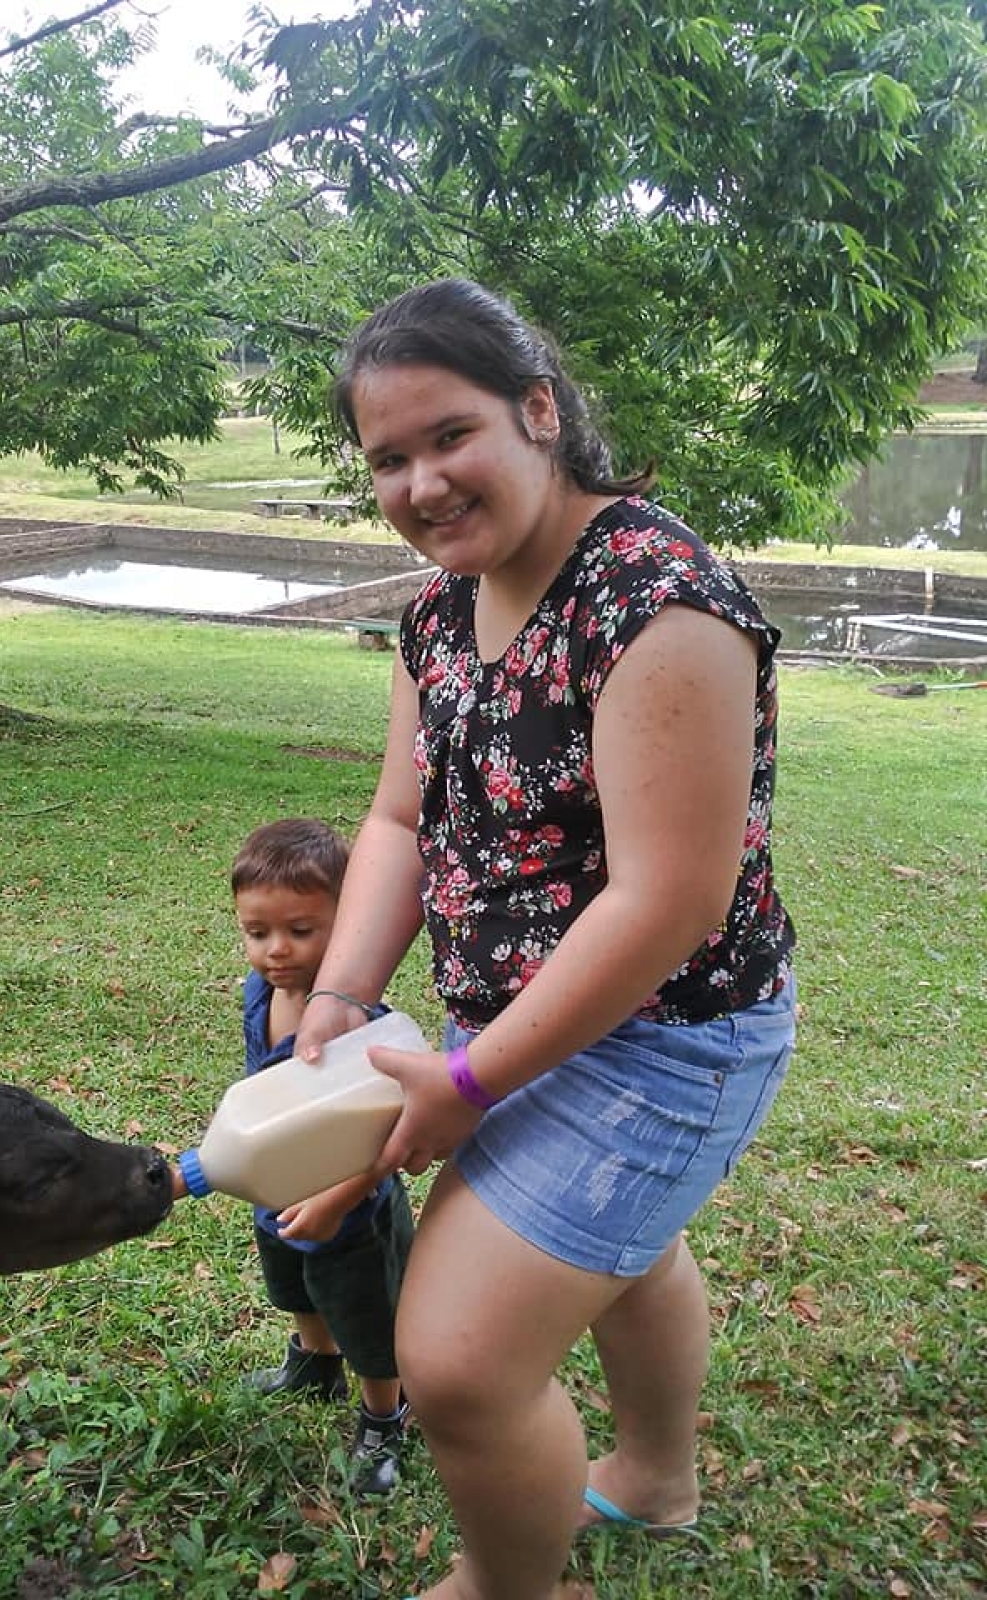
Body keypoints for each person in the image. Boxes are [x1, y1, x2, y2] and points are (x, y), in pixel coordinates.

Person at [294, 279, 796, 1600]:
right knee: (629, 1256)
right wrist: (343, 991)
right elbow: (402, 815)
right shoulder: (442, 610)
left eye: (449, 436)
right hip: (519, 1018)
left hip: (667, 1040)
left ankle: (511, 1587)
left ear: (539, 410)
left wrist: (469, 1084)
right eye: (387, 460)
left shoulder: (658, 601)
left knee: (457, 1366)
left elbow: (666, 902)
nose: (420, 485)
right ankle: (656, 1479)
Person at [231, 816, 414, 1496]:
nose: (276, 950)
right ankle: (312, 1362)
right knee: (295, 1287)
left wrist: (334, 1199)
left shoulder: (358, 1025)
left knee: (366, 1313)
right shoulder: (261, 994)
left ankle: (383, 1416)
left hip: (351, 1211)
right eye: (257, 933)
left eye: (301, 931)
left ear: (348, 923)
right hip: (277, 1188)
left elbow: (389, 1136)